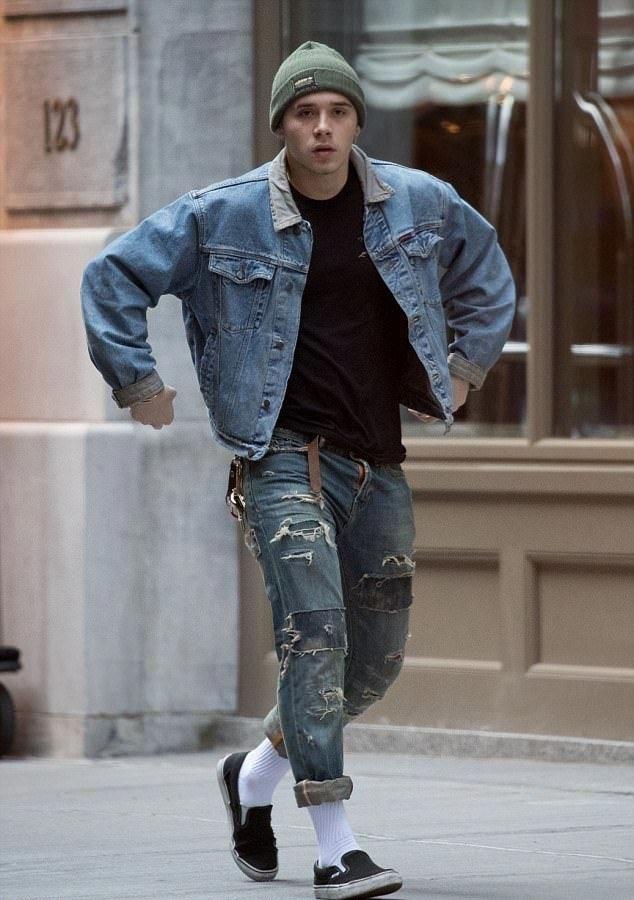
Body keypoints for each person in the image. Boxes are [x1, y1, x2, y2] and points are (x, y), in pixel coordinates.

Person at [81, 40, 515, 900]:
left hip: (377, 462)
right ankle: (334, 846)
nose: (322, 127)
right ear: (282, 124)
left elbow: (487, 269)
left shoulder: (417, 201)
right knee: (314, 634)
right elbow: (112, 275)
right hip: (280, 458)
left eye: (337, 112)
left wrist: (465, 367)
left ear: (356, 122)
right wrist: (139, 382)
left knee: (372, 664)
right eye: (305, 113)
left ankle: (250, 777)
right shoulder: (221, 214)